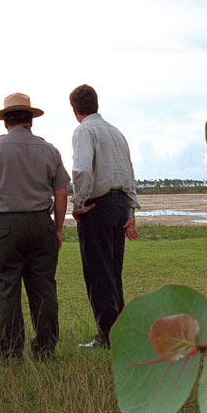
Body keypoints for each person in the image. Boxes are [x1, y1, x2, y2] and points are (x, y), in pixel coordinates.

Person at [0, 92, 70, 362]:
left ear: (5, 122)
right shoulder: (49, 150)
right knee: (44, 288)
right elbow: (61, 194)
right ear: (31, 121)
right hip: (40, 223)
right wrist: (57, 229)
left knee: (7, 290)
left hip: (4, 226)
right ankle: (46, 349)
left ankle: (11, 352)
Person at [69, 84, 140, 349]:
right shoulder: (116, 132)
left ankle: (107, 337)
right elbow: (130, 173)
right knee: (113, 271)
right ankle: (118, 332)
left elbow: (82, 170)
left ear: (75, 109)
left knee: (98, 273)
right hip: (120, 204)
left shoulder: (84, 130)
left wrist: (78, 202)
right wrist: (131, 210)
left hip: (97, 206)